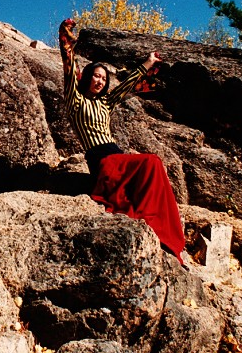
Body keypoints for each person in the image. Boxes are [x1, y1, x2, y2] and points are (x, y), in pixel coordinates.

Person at [58, 18, 185, 263]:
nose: (100, 81)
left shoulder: (105, 102)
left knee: (155, 170)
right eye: (96, 76)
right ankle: (156, 224)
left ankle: (167, 234)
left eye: (104, 79)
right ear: (87, 77)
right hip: (102, 163)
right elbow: (68, 71)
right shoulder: (75, 100)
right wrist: (66, 42)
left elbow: (125, 86)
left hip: (117, 157)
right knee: (151, 163)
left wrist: (148, 62)